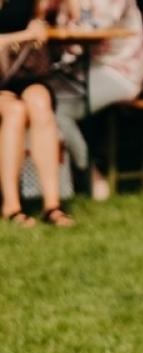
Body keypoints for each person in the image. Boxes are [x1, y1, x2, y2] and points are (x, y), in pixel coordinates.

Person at [49, 0, 143, 202]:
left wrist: (71, 9)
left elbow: (94, 28)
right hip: (84, 69)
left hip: (121, 71)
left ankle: (88, 171)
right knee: (38, 95)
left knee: (56, 108)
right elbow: (66, 36)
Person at [1, 0, 71, 227]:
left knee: (41, 102)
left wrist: (39, 25)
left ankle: (52, 206)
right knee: (15, 112)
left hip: (21, 72)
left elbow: (41, 16)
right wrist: (24, 36)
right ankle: (11, 206)